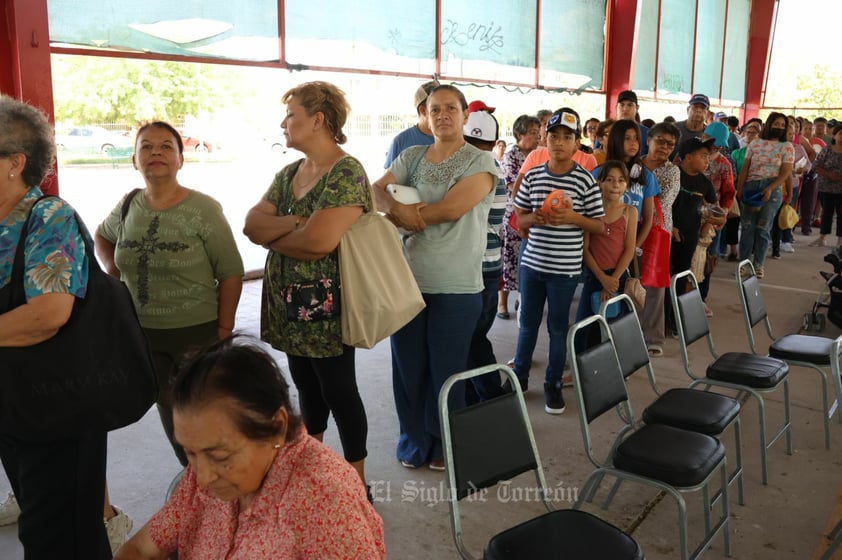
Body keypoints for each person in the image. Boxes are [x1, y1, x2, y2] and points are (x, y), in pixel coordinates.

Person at [113, 336, 386, 559]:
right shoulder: (205, 472)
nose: (203, 478)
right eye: (190, 453)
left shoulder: (325, 501)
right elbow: (140, 548)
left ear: (277, 426)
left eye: (220, 456)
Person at [243, 81, 372, 486]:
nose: (284, 123)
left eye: (291, 115)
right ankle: (309, 467)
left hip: (326, 313)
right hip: (288, 309)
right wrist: (298, 223)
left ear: (318, 120)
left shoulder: (346, 172)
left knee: (340, 393)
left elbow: (319, 243)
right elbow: (250, 225)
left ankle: (355, 484)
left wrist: (276, 234)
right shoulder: (288, 174)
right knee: (306, 388)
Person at [0, 94, 111, 558]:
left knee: (58, 534)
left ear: (14, 163)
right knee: (41, 513)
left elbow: (48, 315)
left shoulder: (50, 217)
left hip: (58, 405)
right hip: (14, 401)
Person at [96, 121, 244, 466]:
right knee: (170, 411)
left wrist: (223, 332)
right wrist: (115, 274)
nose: (156, 153)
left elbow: (231, 272)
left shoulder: (204, 209)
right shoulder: (129, 205)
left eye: (166, 147)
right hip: (143, 332)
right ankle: (197, 483)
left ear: (181, 159)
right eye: (146, 147)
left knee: (204, 414)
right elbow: (102, 236)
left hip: (197, 332)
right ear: (134, 160)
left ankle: (227, 488)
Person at [372, 84, 497, 470]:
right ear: (424, 115)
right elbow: (376, 190)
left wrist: (409, 216)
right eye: (434, 109)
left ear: (464, 115)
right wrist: (396, 208)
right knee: (409, 368)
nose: (442, 115)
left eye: (450, 109)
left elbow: (453, 208)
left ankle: (446, 444)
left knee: (448, 371)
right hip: (407, 280)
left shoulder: (481, 163)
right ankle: (414, 441)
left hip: (457, 284)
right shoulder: (412, 155)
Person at [511, 108, 604, 414]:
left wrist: (573, 217)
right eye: (554, 137)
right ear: (545, 140)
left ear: (577, 143)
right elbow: (519, 220)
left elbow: (599, 225)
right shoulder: (534, 176)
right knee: (527, 325)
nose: (560, 143)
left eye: (567, 137)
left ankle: (552, 385)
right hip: (532, 266)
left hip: (564, 272)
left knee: (557, 328)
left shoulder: (585, 181)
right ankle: (520, 378)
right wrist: (534, 218)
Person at [463, 110, 507, 402]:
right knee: (469, 338)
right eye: (468, 143)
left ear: (492, 146)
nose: (473, 151)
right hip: (475, 267)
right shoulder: (477, 167)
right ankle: (469, 398)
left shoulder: (487, 172)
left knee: (473, 338)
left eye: (479, 146)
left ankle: (493, 397)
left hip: (484, 267)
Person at [575, 160, 637, 324]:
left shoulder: (630, 212)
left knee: (615, 326)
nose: (615, 185)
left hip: (618, 278)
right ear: (599, 183)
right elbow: (585, 249)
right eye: (609, 180)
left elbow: (630, 249)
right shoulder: (591, 210)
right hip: (594, 276)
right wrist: (603, 278)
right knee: (585, 325)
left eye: (621, 180)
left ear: (627, 185)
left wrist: (612, 281)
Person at [640, 121, 681, 356]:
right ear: (649, 140)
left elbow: (663, 200)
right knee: (631, 280)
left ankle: (653, 336)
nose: (665, 147)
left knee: (655, 283)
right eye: (660, 141)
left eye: (670, 144)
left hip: (658, 231)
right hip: (630, 230)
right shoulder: (633, 164)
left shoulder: (672, 171)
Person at [736, 112, 793, 279]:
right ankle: (743, 264)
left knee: (763, 228)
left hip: (772, 189)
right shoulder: (755, 144)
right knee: (747, 227)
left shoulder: (787, 146)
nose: (779, 127)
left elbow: (786, 171)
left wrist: (770, 188)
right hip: (751, 187)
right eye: (777, 124)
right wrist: (740, 188)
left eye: (783, 125)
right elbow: (745, 167)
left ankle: (758, 265)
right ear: (769, 124)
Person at [498, 114, 541, 319]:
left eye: (538, 133)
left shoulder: (539, 155)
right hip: (514, 214)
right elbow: (511, 184)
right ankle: (502, 303)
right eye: (533, 133)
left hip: (533, 213)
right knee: (509, 259)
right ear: (519, 134)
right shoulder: (511, 155)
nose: (538, 137)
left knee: (526, 260)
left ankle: (522, 298)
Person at [671, 136, 724, 297]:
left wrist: (717, 220)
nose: (707, 160)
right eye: (703, 156)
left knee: (681, 274)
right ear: (687, 157)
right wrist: (670, 226)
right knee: (666, 274)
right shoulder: (674, 175)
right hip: (669, 233)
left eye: (708, 156)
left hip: (690, 236)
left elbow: (716, 210)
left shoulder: (705, 183)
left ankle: (676, 315)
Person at [383, 81, 437, 168]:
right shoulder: (400, 142)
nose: (444, 114)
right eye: (436, 108)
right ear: (423, 110)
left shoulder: (455, 139)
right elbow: (388, 178)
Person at [809, 123, 842, 248]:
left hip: (841, 189)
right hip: (826, 188)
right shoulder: (827, 150)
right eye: (840, 134)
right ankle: (822, 237)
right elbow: (815, 166)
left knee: (841, 214)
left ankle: (840, 240)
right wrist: (829, 174)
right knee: (826, 213)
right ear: (834, 136)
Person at [616, 90, 649, 155]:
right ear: (616, 107)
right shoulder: (606, 131)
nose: (625, 109)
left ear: (637, 108)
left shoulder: (647, 133)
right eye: (622, 105)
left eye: (630, 105)